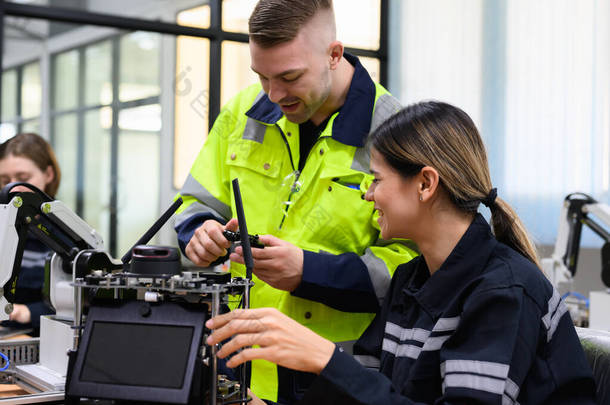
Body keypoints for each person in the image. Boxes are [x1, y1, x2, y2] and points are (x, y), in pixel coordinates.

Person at [205, 101, 597, 404]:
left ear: (425, 184)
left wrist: (325, 357)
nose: (367, 193)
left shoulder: (505, 292)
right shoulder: (411, 280)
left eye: (376, 179)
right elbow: (370, 395)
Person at [174, 0, 417, 401]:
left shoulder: (395, 131)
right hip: (236, 364)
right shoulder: (243, 112)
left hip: (335, 378)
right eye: (262, 76)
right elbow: (194, 203)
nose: (273, 94)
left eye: (289, 77)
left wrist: (310, 271)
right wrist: (199, 233)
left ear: (333, 55)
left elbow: (412, 266)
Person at [0, 133, 60, 336]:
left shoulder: (66, 232)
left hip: (39, 339)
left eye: (24, 179)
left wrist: (26, 312)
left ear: (48, 174)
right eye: (4, 180)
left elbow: (80, 303)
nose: (13, 188)